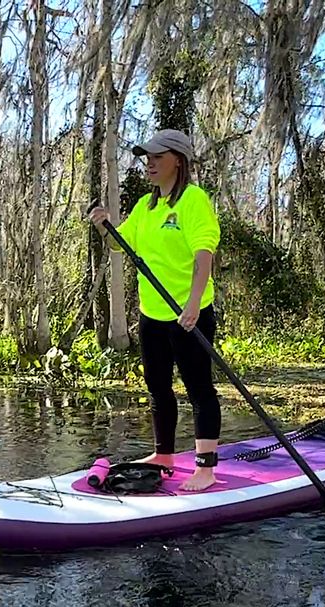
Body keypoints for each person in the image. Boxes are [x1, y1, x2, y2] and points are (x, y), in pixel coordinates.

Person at [87, 129, 222, 492]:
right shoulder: (147, 206)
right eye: (147, 157)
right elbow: (120, 245)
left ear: (178, 160)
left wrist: (193, 302)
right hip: (152, 313)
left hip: (188, 312)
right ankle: (164, 455)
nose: (150, 163)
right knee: (157, 386)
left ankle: (206, 468)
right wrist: (104, 226)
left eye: (158, 157)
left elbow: (204, 253)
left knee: (199, 388)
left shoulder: (193, 200)